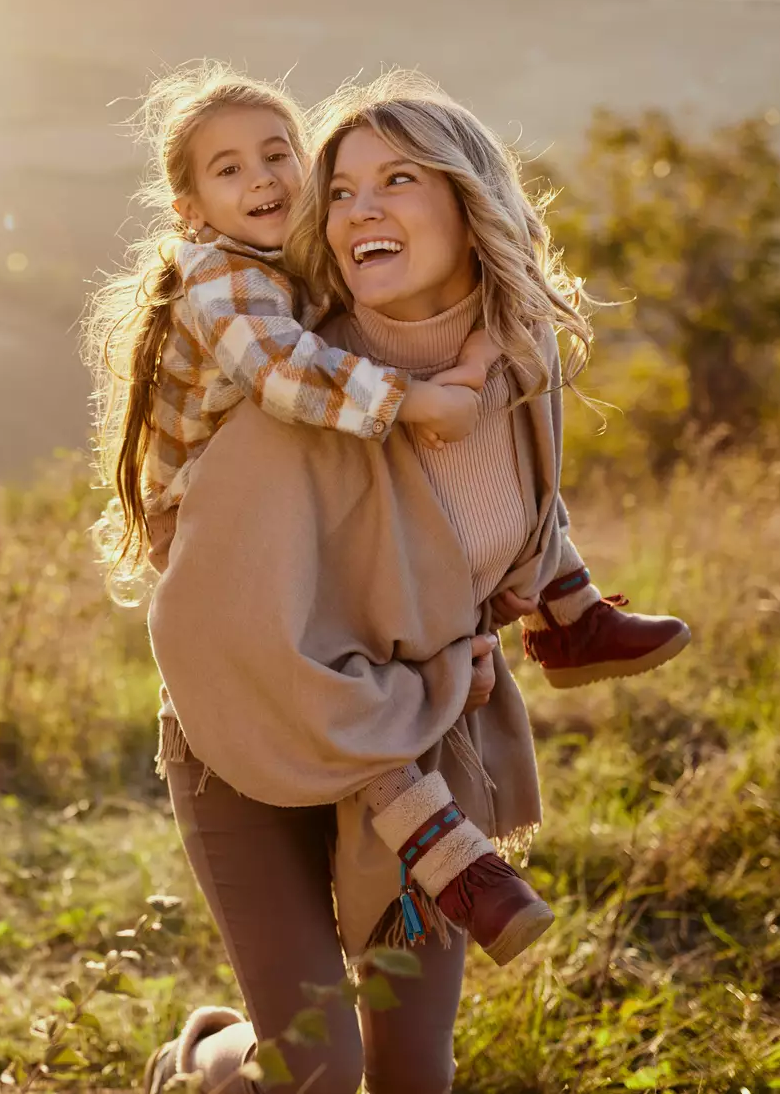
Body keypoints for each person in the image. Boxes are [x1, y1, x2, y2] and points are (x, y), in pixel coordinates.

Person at [99, 70, 633, 1091]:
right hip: (250, 724)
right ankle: (205, 1058)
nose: (355, 210)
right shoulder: (309, 387)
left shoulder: (510, 373)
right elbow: (217, 615)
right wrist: (442, 662)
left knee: (410, 1063)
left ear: (466, 202)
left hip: (426, 733)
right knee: (315, 1069)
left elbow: (493, 539)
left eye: (391, 181)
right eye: (343, 190)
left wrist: (509, 614)